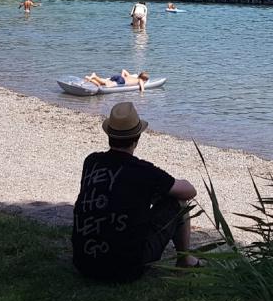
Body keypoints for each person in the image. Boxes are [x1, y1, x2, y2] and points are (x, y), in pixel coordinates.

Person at [72, 100, 200, 282]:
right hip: (127, 269)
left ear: (109, 135)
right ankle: (185, 259)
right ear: (137, 139)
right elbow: (189, 191)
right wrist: (159, 192)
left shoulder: (91, 161)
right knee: (177, 202)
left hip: (84, 263)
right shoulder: (144, 171)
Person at [84, 70, 152, 92]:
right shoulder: (140, 80)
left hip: (119, 77)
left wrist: (122, 76)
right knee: (106, 85)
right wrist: (143, 92)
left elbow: (123, 71)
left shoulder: (132, 76)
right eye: (146, 80)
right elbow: (142, 86)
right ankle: (94, 76)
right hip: (121, 81)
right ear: (144, 79)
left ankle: (92, 79)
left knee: (103, 83)